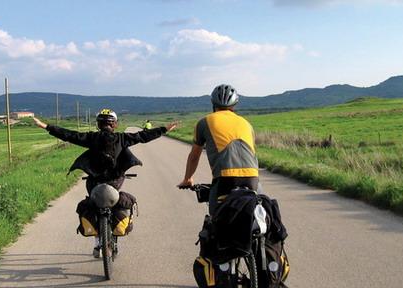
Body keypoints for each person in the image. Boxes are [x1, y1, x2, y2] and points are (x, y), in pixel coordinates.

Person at [33, 109, 178, 257]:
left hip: (94, 181)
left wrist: (46, 126)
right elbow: (143, 136)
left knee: (94, 204)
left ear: (98, 124)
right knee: (116, 203)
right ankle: (116, 228)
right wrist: (164, 129)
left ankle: (97, 243)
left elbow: (69, 135)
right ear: (114, 124)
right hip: (115, 181)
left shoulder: (91, 138)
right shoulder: (122, 138)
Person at [177, 84, 258, 215]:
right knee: (255, 210)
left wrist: (188, 179)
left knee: (216, 217)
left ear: (213, 104)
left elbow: (194, 156)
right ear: (234, 104)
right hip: (253, 177)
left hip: (225, 180)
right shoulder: (246, 124)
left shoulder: (204, 122)